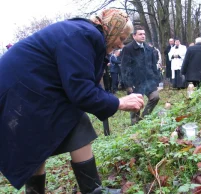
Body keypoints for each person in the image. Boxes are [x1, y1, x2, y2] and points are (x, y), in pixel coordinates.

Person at [0, 8, 145, 194]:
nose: (121, 45)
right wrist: (119, 103)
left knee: (65, 125)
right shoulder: (85, 35)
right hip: (20, 92)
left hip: (29, 89)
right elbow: (82, 92)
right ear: (112, 28)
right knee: (41, 135)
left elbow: (85, 82)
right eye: (121, 38)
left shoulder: (84, 34)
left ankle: (90, 190)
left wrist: (109, 100)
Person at [121, 25, 160, 125]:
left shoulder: (149, 48)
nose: (143, 36)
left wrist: (156, 79)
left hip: (149, 80)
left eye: (144, 34)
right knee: (135, 105)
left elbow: (153, 66)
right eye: (140, 34)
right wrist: (128, 85)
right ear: (134, 36)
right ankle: (135, 125)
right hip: (135, 82)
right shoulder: (128, 49)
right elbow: (125, 68)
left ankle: (144, 118)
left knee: (155, 97)